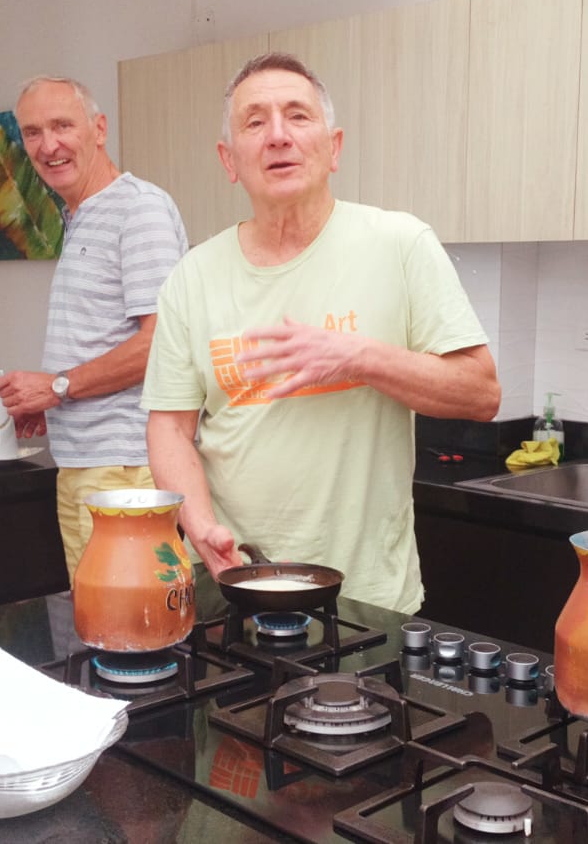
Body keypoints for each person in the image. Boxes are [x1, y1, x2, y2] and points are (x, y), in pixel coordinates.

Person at [142, 52, 500, 614]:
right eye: (255, 122)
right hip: (232, 585)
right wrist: (200, 525)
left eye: (298, 116)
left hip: (367, 601)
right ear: (228, 159)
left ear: (333, 148)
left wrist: (360, 357)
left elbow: (481, 393)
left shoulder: (400, 245)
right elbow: (169, 426)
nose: (278, 136)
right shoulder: (193, 277)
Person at [0, 77, 188, 584]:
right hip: (88, 466)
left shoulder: (138, 209)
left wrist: (58, 387)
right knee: (101, 627)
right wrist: (52, 397)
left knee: (134, 633)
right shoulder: (80, 214)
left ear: (99, 129)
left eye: (62, 125)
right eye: (32, 132)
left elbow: (161, 343)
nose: (48, 145)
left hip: (126, 469)